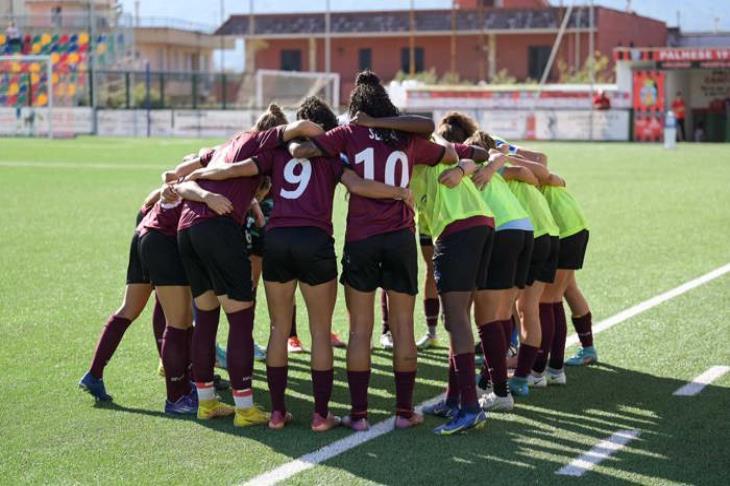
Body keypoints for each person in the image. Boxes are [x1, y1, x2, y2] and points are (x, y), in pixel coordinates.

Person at [186, 96, 413, 432]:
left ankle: (277, 413)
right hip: (315, 240)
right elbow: (357, 185)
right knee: (320, 332)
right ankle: (322, 415)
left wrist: (199, 174)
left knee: (279, 328)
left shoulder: (278, 152)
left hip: (278, 240)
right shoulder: (333, 153)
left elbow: (237, 169)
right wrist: (398, 193)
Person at [289, 71, 457, 431]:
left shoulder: (348, 133)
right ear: (385, 104)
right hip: (400, 238)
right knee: (402, 327)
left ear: (355, 107)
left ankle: (360, 415)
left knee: (360, 330)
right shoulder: (408, 138)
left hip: (361, 240)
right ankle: (405, 412)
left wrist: (330, 146)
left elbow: (302, 150)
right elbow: (447, 149)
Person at [173, 103, 325, 427]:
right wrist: (332, 135)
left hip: (187, 229)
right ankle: (244, 408)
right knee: (241, 319)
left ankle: (207, 404)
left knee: (207, 316)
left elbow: (181, 174)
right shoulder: (264, 139)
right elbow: (303, 129)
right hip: (217, 228)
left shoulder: (228, 143)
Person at [458, 130, 535, 412]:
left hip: (503, 233)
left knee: (486, 317)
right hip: (525, 231)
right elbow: (502, 154)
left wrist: (487, 166)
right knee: (502, 314)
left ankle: (501, 393)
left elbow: (496, 154)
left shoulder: (477, 163)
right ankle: (488, 380)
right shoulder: (497, 173)